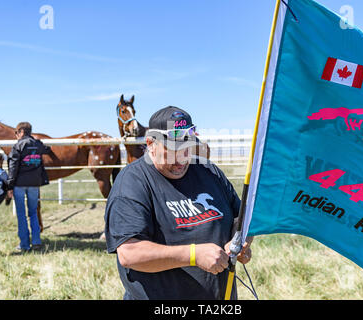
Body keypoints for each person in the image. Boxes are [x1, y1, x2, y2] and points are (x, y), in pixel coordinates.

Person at [104, 106, 253, 300]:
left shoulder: (209, 172)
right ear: (150, 144)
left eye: (187, 149)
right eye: (172, 150)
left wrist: (242, 243)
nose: (181, 160)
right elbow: (129, 253)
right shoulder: (132, 183)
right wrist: (193, 255)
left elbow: (241, 219)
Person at [7, 122, 51, 252]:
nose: (16, 136)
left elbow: (13, 167)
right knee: (33, 213)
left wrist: (10, 185)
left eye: (16, 133)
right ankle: (36, 241)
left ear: (20, 131)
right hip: (34, 184)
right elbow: (47, 149)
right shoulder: (38, 144)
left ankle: (24, 244)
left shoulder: (17, 146)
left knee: (21, 215)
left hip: (19, 185)